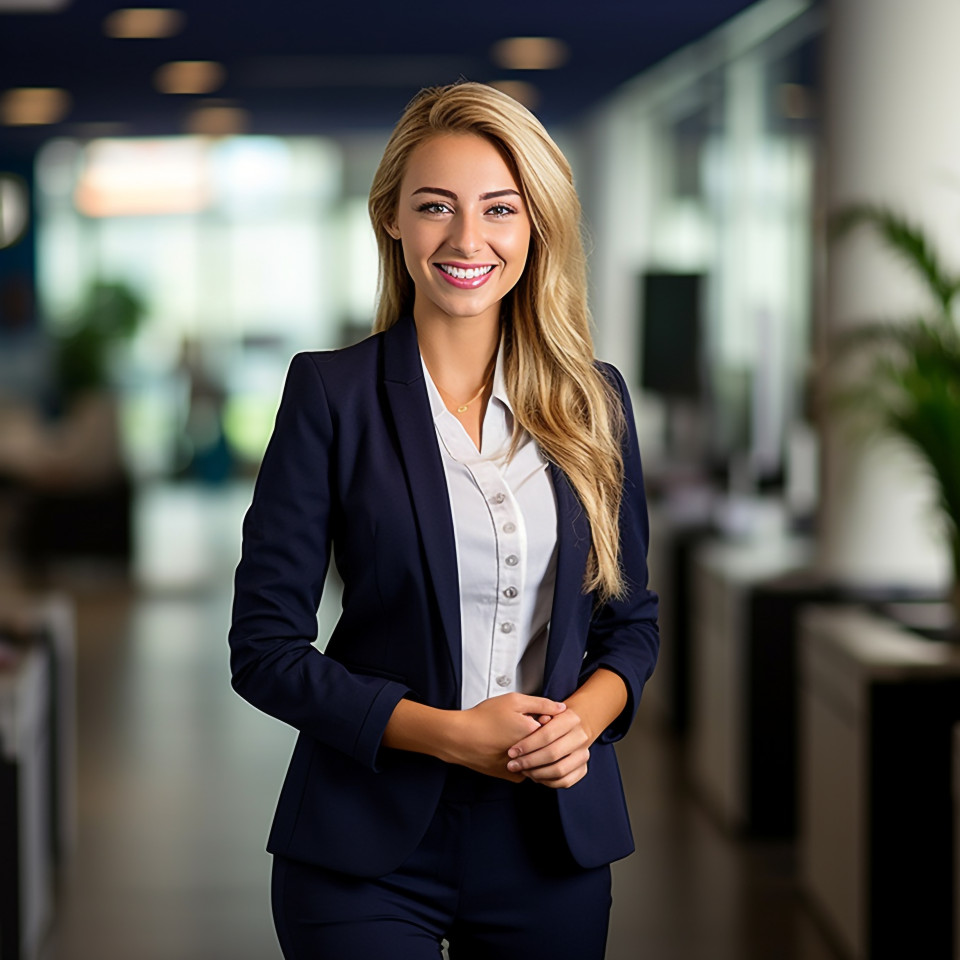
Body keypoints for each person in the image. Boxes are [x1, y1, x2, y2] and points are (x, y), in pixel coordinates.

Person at [229, 81, 659, 959]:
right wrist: (454, 735)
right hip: (364, 842)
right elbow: (264, 651)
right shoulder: (331, 395)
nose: (468, 240)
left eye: (499, 208)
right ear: (391, 218)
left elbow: (631, 624)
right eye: (436, 207)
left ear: (535, 224)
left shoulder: (594, 403)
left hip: (552, 840)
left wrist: (583, 717)